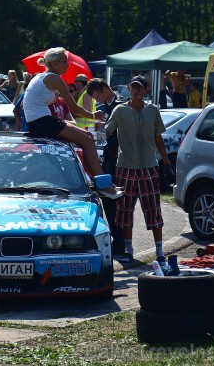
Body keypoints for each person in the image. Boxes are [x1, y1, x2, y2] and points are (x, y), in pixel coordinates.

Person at [23, 47, 123, 199]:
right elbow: (75, 109)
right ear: (55, 64)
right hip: (43, 122)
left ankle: (104, 182)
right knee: (88, 140)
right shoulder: (55, 79)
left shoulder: (42, 77)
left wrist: (52, 97)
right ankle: (103, 185)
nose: (68, 65)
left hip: (40, 121)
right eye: (65, 62)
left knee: (87, 135)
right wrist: (93, 116)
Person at [105, 75, 172, 263]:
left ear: (145, 91)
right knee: (125, 210)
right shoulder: (120, 110)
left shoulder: (153, 110)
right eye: (132, 87)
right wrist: (102, 128)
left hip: (149, 166)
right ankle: (129, 250)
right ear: (129, 89)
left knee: (153, 208)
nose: (135, 90)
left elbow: (158, 138)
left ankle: (159, 252)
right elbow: (108, 129)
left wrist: (166, 164)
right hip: (125, 167)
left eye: (139, 88)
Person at [87, 78, 126, 254]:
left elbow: (122, 131)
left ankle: (122, 242)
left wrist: (105, 127)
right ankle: (117, 239)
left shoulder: (121, 104)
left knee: (118, 201)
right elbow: (102, 134)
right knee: (108, 199)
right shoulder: (102, 109)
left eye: (97, 96)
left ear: (104, 89)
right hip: (108, 158)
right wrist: (99, 129)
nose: (97, 101)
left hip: (120, 158)